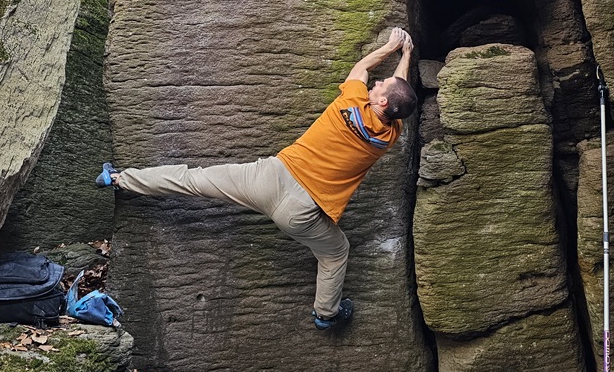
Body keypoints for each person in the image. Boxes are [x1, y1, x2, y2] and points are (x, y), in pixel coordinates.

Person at [96, 27, 417, 329]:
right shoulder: (387, 137)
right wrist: (406, 58)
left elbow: (362, 69)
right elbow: (399, 98)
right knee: (335, 252)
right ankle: (326, 314)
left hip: (269, 177)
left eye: (381, 86)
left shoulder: (349, 103)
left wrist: (393, 47)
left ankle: (119, 178)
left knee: (192, 180)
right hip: (301, 213)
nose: (376, 83)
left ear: (381, 101)